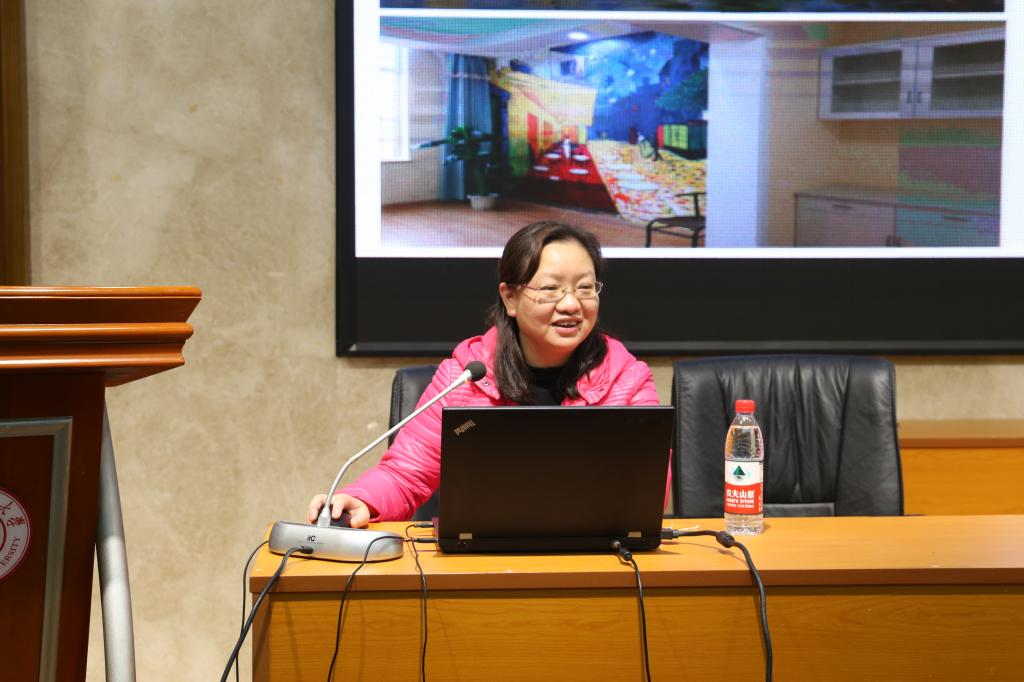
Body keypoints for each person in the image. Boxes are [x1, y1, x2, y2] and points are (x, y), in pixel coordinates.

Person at [307, 221, 661, 527]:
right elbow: (405, 475)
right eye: (551, 289)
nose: (571, 304)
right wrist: (361, 500)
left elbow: (645, 490)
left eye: (585, 288)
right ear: (510, 298)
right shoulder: (465, 378)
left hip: (596, 559)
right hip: (482, 563)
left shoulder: (627, 380)